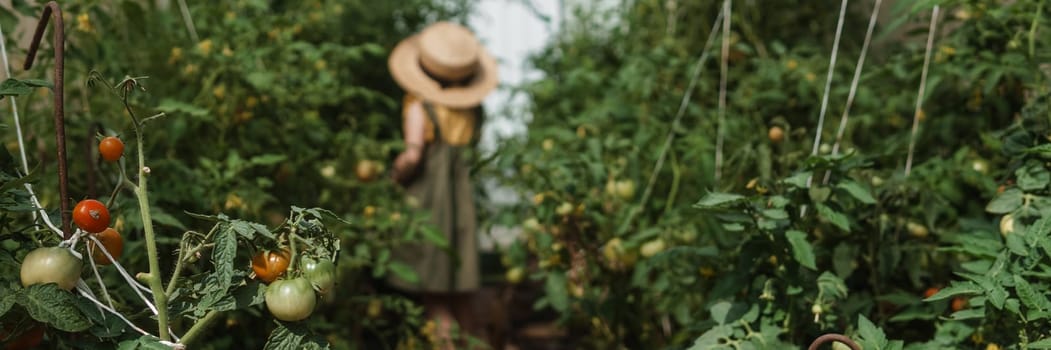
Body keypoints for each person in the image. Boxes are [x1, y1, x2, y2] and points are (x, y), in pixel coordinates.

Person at [386, 21, 498, 348]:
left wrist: (392, 178)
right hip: (462, 205)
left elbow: (413, 155)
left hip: (428, 203)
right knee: (462, 294)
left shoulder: (421, 106)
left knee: (433, 295)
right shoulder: (473, 110)